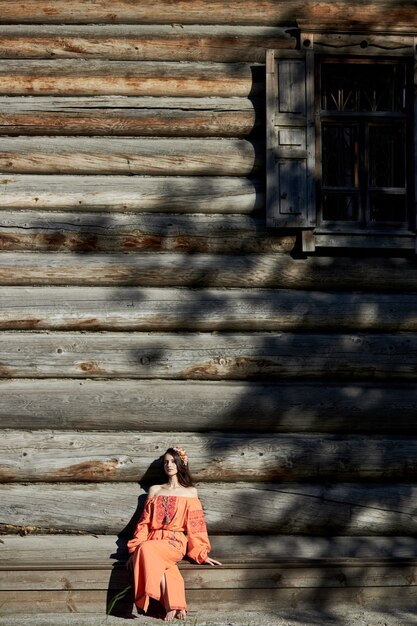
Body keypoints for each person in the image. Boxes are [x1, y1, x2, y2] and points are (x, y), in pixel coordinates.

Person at [126, 446, 222, 621]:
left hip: (174, 542)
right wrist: (134, 551)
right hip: (152, 540)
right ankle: (173, 604)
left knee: (147, 549)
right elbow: (144, 524)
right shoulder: (155, 490)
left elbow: (196, 526)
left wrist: (201, 553)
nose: (169, 465)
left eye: (173, 461)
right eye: (166, 462)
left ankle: (163, 601)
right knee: (159, 560)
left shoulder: (190, 492)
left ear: (181, 464)